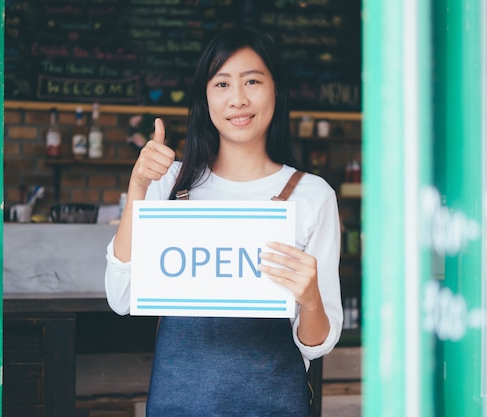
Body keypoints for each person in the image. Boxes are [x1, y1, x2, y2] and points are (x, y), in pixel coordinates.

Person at [105, 27, 343, 417]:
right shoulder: (170, 183)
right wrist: (138, 187)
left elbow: (317, 345)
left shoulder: (312, 195)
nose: (238, 99)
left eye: (252, 81)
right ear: (206, 98)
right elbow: (121, 297)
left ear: (276, 90)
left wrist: (311, 296)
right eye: (222, 84)